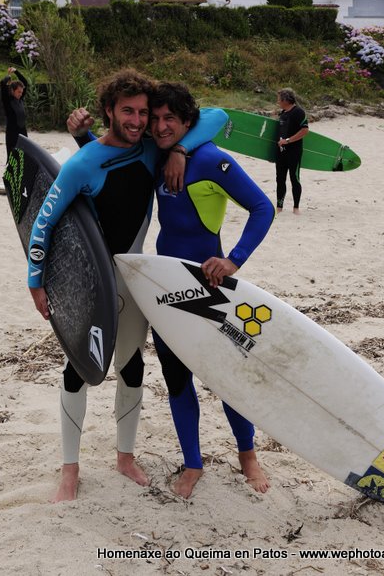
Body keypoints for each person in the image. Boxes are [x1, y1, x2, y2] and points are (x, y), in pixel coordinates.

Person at [27, 68, 226, 502]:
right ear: (108, 111)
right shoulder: (83, 163)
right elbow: (43, 222)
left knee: (132, 367)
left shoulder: (152, 150)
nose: (138, 121)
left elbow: (217, 116)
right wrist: (35, 282)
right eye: (128, 112)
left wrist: (181, 150)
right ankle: (69, 468)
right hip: (91, 283)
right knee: (79, 369)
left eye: (142, 112)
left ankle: (125, 456)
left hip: (134, 282)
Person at [149, 82, 275, 498]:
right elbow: (107, 158)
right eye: (155, 119)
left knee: (227, 377)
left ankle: (247, 454)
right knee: (176, 377)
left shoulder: (209, 159)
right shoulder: (154, 155)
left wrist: (234, 259)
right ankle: (193, 463)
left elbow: (262, 207)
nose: (161, 126)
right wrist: (81, 136)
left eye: (171, 119)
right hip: (165, 285)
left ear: (188, 122)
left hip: (210, 286)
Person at [275, 89, 309, 214]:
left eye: (279, 99)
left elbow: (305, 130)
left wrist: (288, 141)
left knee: (294, 179)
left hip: (294, 152)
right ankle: (279, 207)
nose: (278, 102)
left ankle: (296, 208)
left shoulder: (298, 112)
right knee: (280, 179)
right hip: (281, 152)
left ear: (285, 100)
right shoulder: (283, 113)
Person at [0, 66, 28, 158]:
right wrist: (8, 77)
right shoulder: (7, 101)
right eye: (19, 92)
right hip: (12, 133)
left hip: (22, 131)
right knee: (13, 157)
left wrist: (16, 71)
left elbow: (25, 83)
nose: (21, 94)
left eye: (21, 92)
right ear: (13, 91)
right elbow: (2, 84)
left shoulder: (20, 99)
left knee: (24, 156)